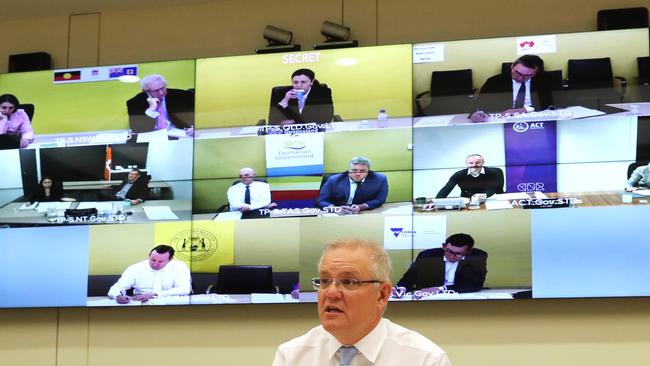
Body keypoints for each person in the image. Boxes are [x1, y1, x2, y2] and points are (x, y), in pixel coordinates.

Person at [273, 238, 452, 366]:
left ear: (382, 295)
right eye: (325, 281)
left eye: (349, 282)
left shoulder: (425, 360)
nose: (331, 293)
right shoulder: (292, 356)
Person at [395, 233, 487, 296]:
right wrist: (402, 288)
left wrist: (440, 289)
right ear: (444, 246)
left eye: (458, 254)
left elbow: (474, 284)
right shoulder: (427, 256)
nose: (452, 256)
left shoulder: (477, 257)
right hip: (428, 299)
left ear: (468, 252)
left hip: (461, 298)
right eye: (449, 251)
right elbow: (408, 278)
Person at [469, 54, 553, 122]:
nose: (520, 78)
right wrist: (476, 114)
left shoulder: (543, 80)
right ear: (512, 66)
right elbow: (478, 105)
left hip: (535, 118)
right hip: (502, 119)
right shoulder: (494, 81)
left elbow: (550, 104)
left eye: (527, 75)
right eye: (517, 73)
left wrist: (523, 110)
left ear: (536, 73)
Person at [107, 245, 191, 304]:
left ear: (170, 260)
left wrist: (155, 294)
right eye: (153, 260)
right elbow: (117, 288)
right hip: (141, 305)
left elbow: (185, 289)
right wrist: (118, 296)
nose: (155, 264)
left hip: (170, 303)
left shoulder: (180, 267)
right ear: (149, 255)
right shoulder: (136, 268)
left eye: (160, 261)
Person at [315, 156, 388, 214]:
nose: (358, 174)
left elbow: (380, 199)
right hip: (338, 212)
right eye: (354, 170)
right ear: (348, 170)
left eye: (362, 171)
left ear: (368, 172)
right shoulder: (334, 180)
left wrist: (361, 207)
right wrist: (335, 208)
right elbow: (321, 201)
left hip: (365, 212)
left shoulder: (380, 179)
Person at [126, 74, 195, 135]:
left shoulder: (183, 96)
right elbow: (137, 129)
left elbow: (195, 117)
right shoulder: (134, 102)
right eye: (156, 91)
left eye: (163, 88)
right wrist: (151, 109)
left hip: (178, 133)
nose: (161, 93)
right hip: (151, 135)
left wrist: (195, 127)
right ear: (146, 91)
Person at [268, 68, 334, 125]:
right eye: (295, 82)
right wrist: (285, 100)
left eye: (303, 82)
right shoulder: (282, 93)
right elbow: (273, 121)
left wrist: (293, 121)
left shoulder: (323, 92)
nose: (299, 85)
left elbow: (326, 118)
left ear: (312, 82)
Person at [434, 154, 504, 200]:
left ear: (483, 162)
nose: (474, 165)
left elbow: (491, 189)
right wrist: (436, 201)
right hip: (467, 199)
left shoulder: (493, 173)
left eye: (477, 162)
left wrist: (483, 196)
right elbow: (447, 188)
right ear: (466, 164)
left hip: (488, 198)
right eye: (471, 163)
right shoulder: (459, 174)